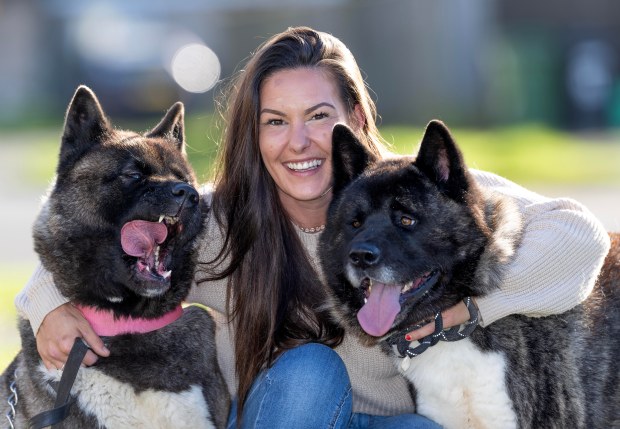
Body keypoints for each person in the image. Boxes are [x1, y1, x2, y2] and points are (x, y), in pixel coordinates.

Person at [16, 26, 610, 429]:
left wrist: (463, 309)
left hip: (399, 419)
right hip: (287, 414)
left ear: (353, 117)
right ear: (255, 132)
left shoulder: (414, 193)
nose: (297, 142)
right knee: (309, 369)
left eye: (318, 117)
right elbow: (85, 232)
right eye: (276, 121)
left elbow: (579, 240)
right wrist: (47, 306)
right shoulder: (220, 220)